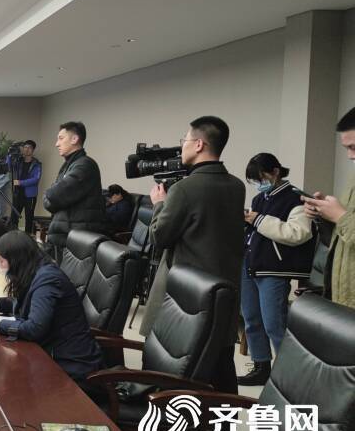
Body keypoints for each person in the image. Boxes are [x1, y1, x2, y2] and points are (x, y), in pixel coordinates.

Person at [140, 116, 245, 393]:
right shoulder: (236, 186)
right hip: (223, 290)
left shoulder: (184, 189)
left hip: (185, 294)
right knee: (218, 365)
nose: (182, 146)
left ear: (199, 144)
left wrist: (159, 204)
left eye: (185, 140)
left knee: (174, 368)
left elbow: (159, 237)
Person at [0, 231, 104, 381]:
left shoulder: (48, 280)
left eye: (2, 259)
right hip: (48, 353)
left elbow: (35, 328)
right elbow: (25, 302)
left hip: (68, 365)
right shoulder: (34, 270)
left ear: (16, 259)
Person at [238, 153, 315, 386]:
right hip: (251, 263)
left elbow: (298, 233)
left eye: (260, 178)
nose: (258, 183)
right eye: (254, 180)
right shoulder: (260, 198)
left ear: (275, 172)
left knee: (274, 323)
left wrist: (258, 220)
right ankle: (261, 367)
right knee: (252, 319)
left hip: (274, 269)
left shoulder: (296, 198)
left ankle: (290, 376)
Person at [302, 106, 355, 308]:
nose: (350, 156)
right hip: (344, 298)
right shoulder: (352, 180)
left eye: (354, 147)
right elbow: (342, 237)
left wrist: (341, 216)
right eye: (347, 148)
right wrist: (324, 215)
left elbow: (346, 221)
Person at [43, 122, 109, 261]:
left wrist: (52, 196)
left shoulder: (85, 165)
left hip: (75, 241)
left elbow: (53, 195)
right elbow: (49, 200)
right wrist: (51, 196)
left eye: (61, 138)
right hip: (65, 237)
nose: (56, 144)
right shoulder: (69, 166)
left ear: (74, 139)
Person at [9, 140, 41, 234]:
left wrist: (20, 182)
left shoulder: (37, 164)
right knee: (14, 216)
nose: (27, 149)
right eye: (25, 147)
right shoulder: (18, 161)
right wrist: (9, 154)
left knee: (29, 218)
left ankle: (28, 237)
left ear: (33, 150)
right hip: (18, 193)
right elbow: (8, 165)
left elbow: (36, 179)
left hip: (30, 195)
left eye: (29, 148)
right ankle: (13, 235)